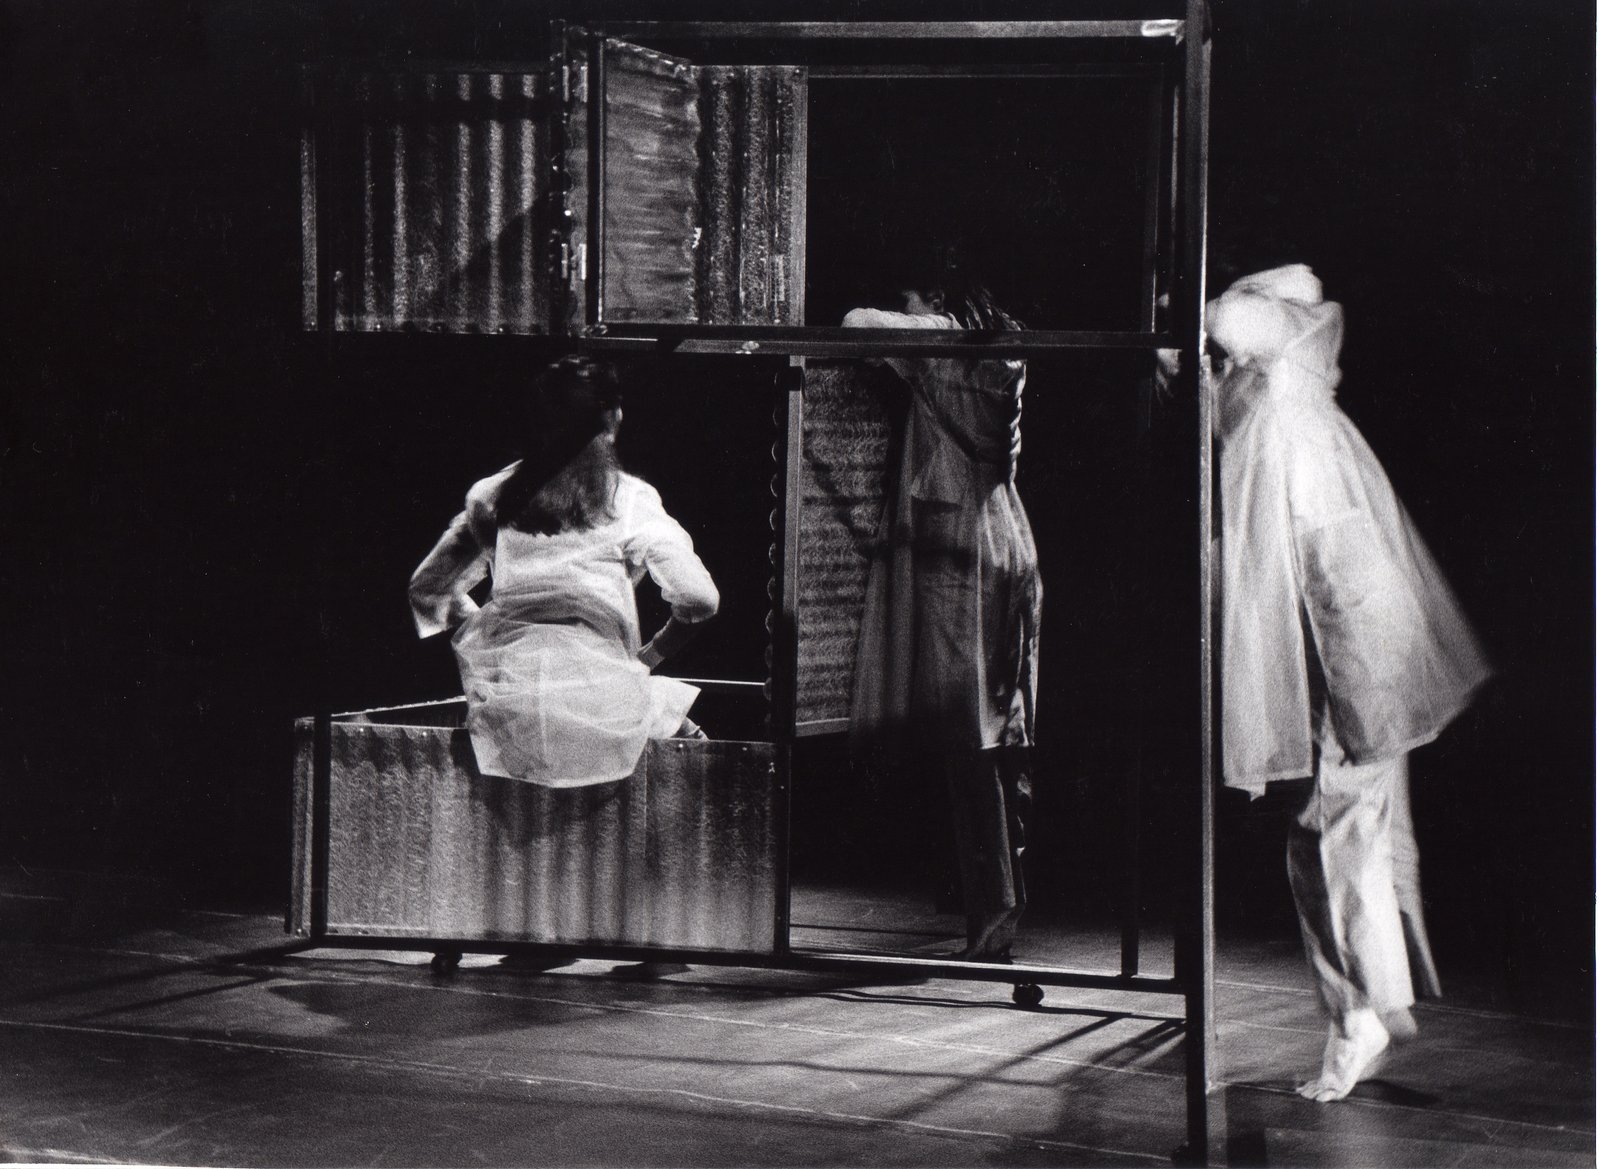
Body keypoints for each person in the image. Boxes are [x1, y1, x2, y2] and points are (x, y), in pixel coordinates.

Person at [1201, 262, 1491, 1101]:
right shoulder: (1279, 382)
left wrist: (1196, 306)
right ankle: (1384, 992)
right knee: (1361, 818)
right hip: (1350, 613)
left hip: (1350, 621)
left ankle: (1361, 1009)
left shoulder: (1288, 348)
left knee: (1332, 823)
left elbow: (1231, 318)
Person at [842, 249, 1043, 963]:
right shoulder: (1001, 350)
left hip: (962, 544)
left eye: (912, 299)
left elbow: (856, 323)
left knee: (972, 735)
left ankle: (993, 908)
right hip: (1008, 531)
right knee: (1006, 722)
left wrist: (919, 324)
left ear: (934, 299)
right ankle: (998, 892)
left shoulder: (942, 347)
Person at [409, 354, 720, 790]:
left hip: (508, 710)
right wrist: (649, 656)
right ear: (614, 417)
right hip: (604, 706)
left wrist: (488, 631)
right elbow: (700, 599)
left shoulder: (489, 496)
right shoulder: (631, 500)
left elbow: (427, 588)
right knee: (691, 746)